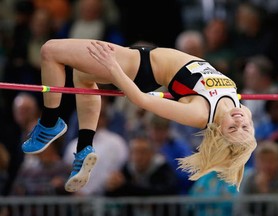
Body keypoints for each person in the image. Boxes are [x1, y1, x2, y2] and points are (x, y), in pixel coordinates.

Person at [21, 39, 257, 192]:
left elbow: (142, 100)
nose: (239, 122)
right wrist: (239, 144)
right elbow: (240, 139)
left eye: (232, 129)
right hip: (143, 58)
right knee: (83, 78)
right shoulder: (241, 110)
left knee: (49, 50)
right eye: (244, 127)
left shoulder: (201, 113)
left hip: (137, 65)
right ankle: (84, 147)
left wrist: (113, 66)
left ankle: (50, 122)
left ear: (218, 131)